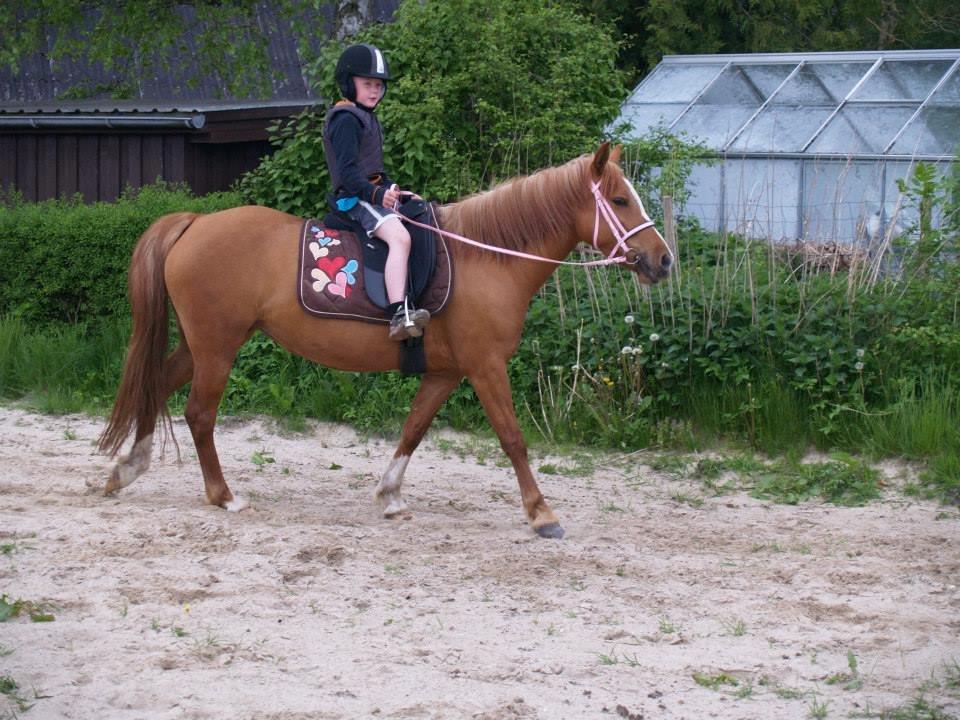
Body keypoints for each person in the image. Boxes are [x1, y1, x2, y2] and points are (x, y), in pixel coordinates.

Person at [323, 43, 430, 341]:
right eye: (367, 84)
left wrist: (394, 189)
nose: (374, 91)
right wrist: (375, 195)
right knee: (400, 236)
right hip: (353, 200)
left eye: (379, 86)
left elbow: (372, 168)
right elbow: (347, 173)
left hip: (367, 192)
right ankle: (400, 313)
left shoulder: (365, 116)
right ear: (349, 83)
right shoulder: (346, 120)